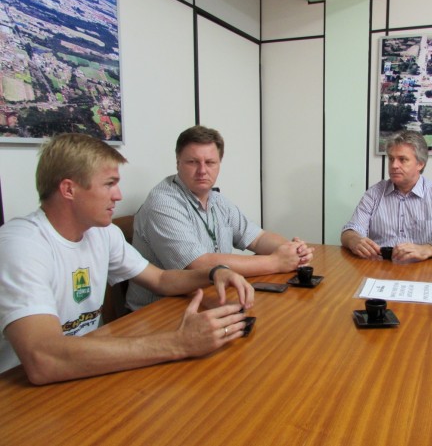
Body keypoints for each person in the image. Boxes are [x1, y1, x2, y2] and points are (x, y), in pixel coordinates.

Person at [0, 133, 255, 385]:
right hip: (20, 393)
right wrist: (179, 343)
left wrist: (213, 273)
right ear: (69, 189)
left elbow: (161, 279)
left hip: (85, 370)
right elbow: (44, 359)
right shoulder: (20, 244)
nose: (119, 195)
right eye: (109, 184)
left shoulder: (102, 233)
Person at [126, 125, 314, 311]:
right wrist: (275, 262)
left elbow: (257, 238)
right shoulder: (163, 203)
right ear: (177, 162)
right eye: (192, 162)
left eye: (210, 162)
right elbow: (197, 265)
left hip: (208, 298)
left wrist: (291, 250)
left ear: (219, 164)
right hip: (157, 312)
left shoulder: (217, 200)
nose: (202, 170)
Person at [341, 130, 432, 261]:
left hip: (422, 269)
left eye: (402, 160)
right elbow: (351, 230)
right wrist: (354, 240)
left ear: (420, 164)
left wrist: (427, 248)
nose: (394, 165)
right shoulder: (375, 193)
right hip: (379, 267)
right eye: (391, 159)